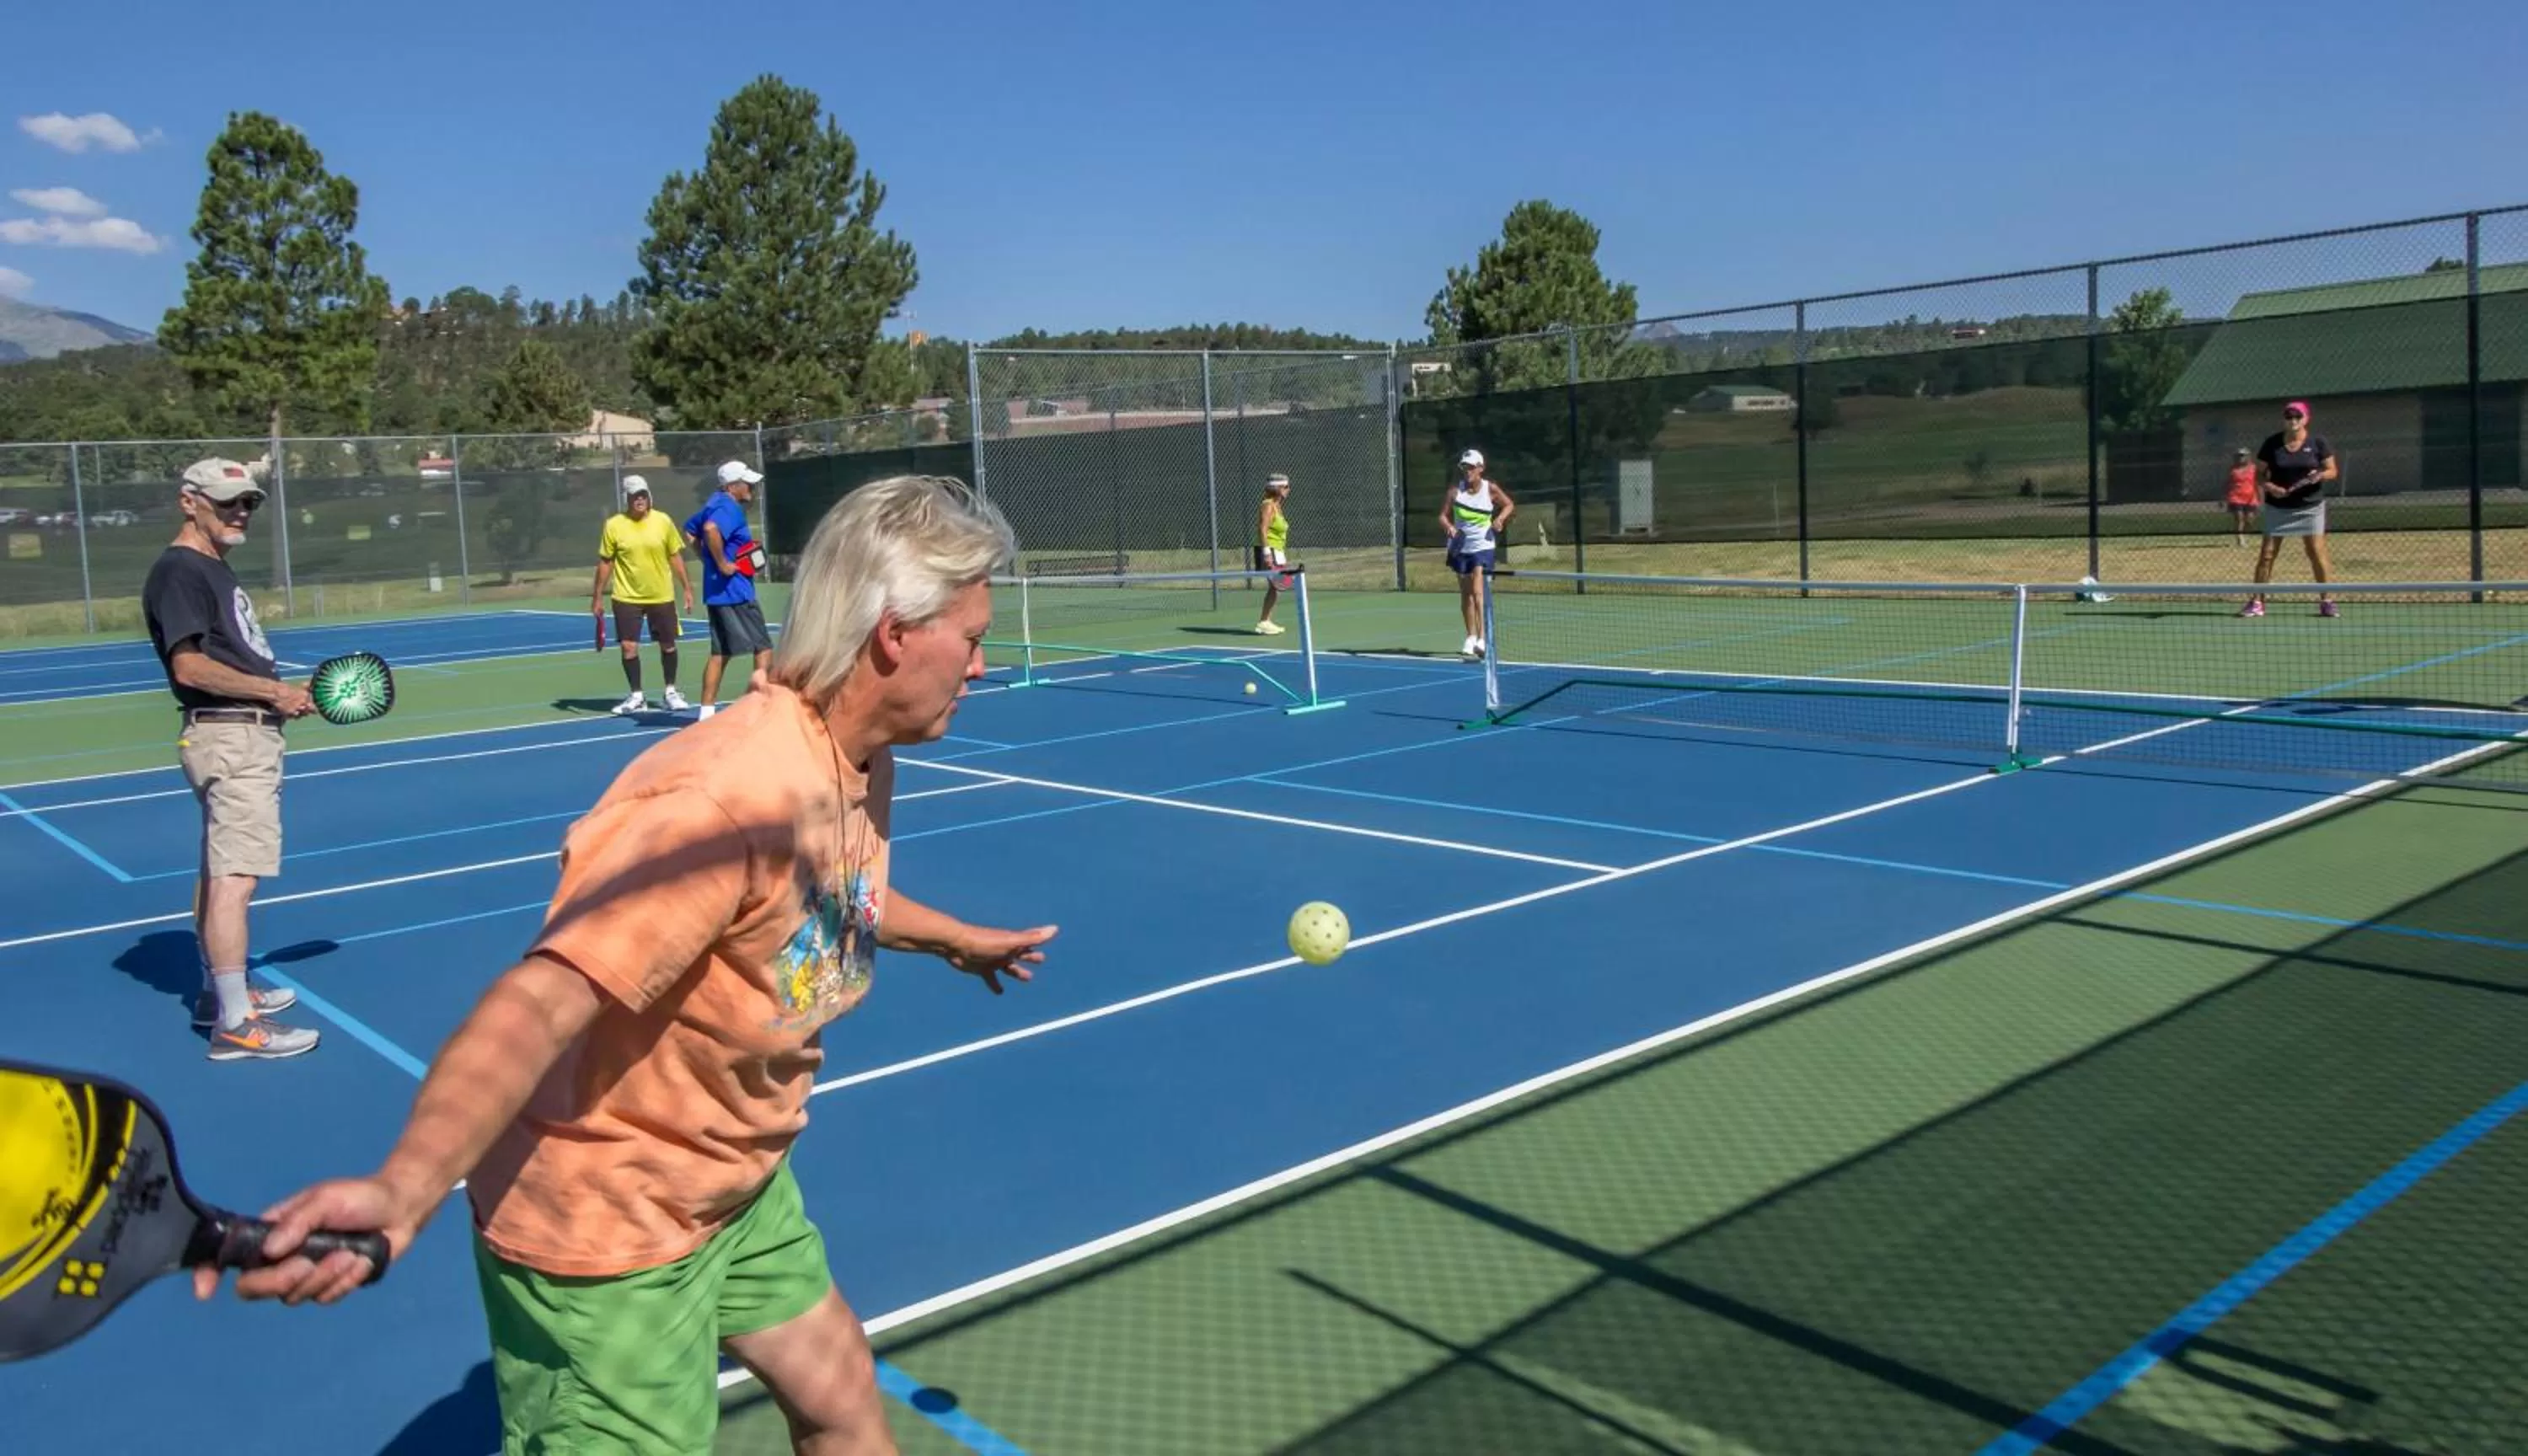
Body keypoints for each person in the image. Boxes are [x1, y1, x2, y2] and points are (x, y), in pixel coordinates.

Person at [195, 475, 1058, 1456]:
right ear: (896, 637)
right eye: (974, 639)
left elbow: (824, 894)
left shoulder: (859, 753)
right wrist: (406, 1188)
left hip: (733, 1178)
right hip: (606, 1218)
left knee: (842, 1406)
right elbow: (542, 999)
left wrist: (951, 937)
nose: (983, 667)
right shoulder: (721, 798)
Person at [141, 458, 322, 1062]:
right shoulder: (181, 572)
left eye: (247, 502)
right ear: (189, 502)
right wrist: (273, 692)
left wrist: (278, 697)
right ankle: (236, 1026)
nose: (240, 512)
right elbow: (188, 667)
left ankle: (220, 993)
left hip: (239, 731)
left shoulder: (211, 568)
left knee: (220, 872)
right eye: (227, 502)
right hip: (231, 738)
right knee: (234, 881)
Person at [592, 475, 694, 714]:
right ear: (626, 498)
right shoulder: (614, 525)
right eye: (634, 496)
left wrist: (687, 588)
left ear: (649, 496)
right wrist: (597, 596)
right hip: (626, 597)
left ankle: (671, 691)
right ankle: (637, 696)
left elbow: (675, 556)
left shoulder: (663, 521)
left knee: (668, 645)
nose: (640, 499)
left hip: (661, 595)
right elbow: (606, 562)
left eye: (643, 495)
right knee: (629, 647)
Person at [688, 459, 777, 720]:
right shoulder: (729, 508)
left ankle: (706, 714)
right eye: (747, 483)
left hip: (716, 594)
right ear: (733, 486)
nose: (752, 487)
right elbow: (709, 529)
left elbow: (690, 532)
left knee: (720, 653)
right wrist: (722, 564)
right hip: (736, 593)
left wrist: (707, 560)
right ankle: (759, 708)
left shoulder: (713, 503)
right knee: (763, 647)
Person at [2242, 401, 2340, 618]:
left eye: (2298, 416)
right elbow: (2258, 474)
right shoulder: (2272, 444)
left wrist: (2320, 475)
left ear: (2306, 418)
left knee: (2316, 552)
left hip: (2310, 507)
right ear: (2284, 420)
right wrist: (2270, 487)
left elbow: (2332, 470)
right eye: (2289, 417)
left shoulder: (2318, 443)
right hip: (2278, 507)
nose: (2293, 421)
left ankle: (2327, 601)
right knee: (2267, 554)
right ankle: (2257, 602)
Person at [1438, 447, 1515, 658]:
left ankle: (1483, 638)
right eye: (1464, 467)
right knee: (1466, 594)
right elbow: (1443, 516)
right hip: (1460, 547)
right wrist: (1449, 527)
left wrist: (1500, 519)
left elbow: (1509, 505)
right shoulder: (1455, 492)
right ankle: (1470, 637)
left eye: (1471, 467)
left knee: (1478, 590)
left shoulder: (1490, 489)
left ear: (1481, 468)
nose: (1467, 470)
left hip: (1483, 546)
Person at [1251, 472, 1293, 635]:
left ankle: (1265, 621)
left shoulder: (1277, 506)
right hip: (1269, 551)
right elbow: (1263, 529)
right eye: (1286, 487)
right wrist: (1267, 553)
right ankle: (1264, 621)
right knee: (1278, 585)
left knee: (1279, 586)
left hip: (1277, 551)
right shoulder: (1268, 505)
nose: (1289, 490)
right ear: (1278, 488)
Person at [2224, 446, 2259, 543]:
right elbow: (2227, 484)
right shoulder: (2233, 470)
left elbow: (2258, 482)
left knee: (2250, 520)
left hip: (2250, 497)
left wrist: (2260, 496)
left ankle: (2246, 535)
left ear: (2248, 457)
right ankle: (2240, 538)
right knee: (2239, 518)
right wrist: (2224, 498)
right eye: (2239, 456)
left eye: (2243, 456)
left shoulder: (2253, 468)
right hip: (2236, 497)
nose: (2241, 458)